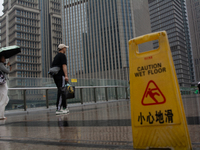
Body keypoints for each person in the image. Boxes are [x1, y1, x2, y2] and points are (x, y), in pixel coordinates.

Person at [51, 44, 69, 115]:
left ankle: (64, 107)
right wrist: (66, 76)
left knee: (61, 91)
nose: (66, 49)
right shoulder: (62, 56)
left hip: (55, 76)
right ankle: (58, 109)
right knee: (61, 91)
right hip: (60, 75)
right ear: (63, 48)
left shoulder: (56, 56)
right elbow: (64, 66)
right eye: (65, 48)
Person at [0, 55, 12, 120]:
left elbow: (5, 71)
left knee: (6, 99)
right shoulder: (1, 64)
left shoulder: (1, 65)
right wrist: (8, 65)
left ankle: (1, 114)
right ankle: (1, 116)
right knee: (3, 99)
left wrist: (7, 66)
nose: (4, 58)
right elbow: (7, 71)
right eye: (3, 57)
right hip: (2, 84)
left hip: (2, 83)